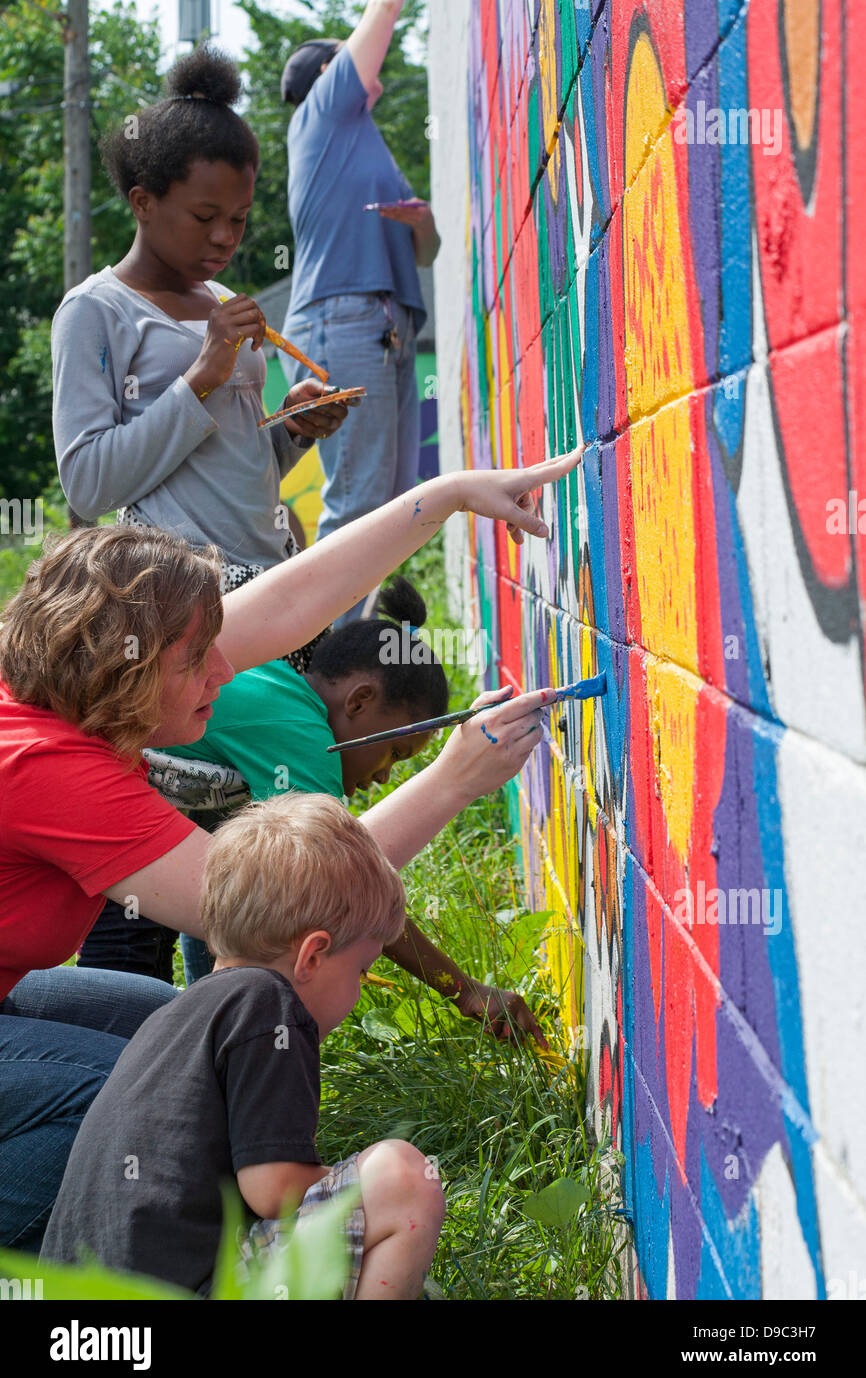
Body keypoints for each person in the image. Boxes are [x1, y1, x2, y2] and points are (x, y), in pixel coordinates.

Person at [0, 448, 578, 1250]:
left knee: (185, 1043)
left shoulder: (81, 685)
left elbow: (293, 603)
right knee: (168, 1104)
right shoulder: (48, 767)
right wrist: (452, 780)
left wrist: (446, 496)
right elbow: (281, 900)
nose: (228, 669)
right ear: (128, 669)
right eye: (199, 661)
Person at [41, 794, 445, 1300]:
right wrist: (344, 1182)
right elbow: (274, 1189)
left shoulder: (171, 1018)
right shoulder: (269, 1002)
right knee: (400, 1180)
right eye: (361, 970)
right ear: (313, 955)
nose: (360, 989)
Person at [121, 576, 544, 1042]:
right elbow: (351, 885)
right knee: (126, 991)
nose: (385, 776)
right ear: (360, 701)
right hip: (97, 827)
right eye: (396, 753)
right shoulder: (302, 735)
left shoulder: (280, 684)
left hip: (111, 824)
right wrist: (465, 991)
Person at [51, 44, 349, 613]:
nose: (225, 238)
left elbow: (227, 464)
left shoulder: (221, 301)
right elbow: (89, 486)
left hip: (270, 579)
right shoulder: (95, 310)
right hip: (180, 600)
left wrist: (292, 427)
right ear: (143, 202)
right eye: (204, 217)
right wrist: (202, 376)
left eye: (238, 219)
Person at [280, 0, 440, 620]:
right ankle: (324, 663)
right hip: (341, 322)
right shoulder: (320, 117)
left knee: (390, 502)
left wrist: (421, 223)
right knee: (358, 503)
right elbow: (379, 22)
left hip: (385, 324)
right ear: (329, 76)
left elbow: (428, 252)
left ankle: (346, 647)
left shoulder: (366, 145)